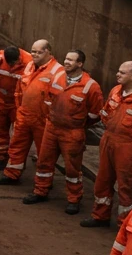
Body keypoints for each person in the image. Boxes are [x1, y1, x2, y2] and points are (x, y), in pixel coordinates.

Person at [23, 49, 101, 213]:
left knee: (72, 168)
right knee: (44, 162)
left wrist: (78, 124)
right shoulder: (57, 77)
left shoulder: (90, 86)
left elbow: (95, 114)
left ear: (80, 64)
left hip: (72, 133)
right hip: (51, 128)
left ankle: (74, 199)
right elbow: (48, 99)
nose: (66, 62)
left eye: (71, 60)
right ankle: (40, 191)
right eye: (66, 59)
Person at [85, 61, 132, 228]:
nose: (118, 74)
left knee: (127, 186)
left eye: (122, 72)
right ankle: (100, 216)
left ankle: (125, 224)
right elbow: (105, 112)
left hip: (128, 146)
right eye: (118, 71)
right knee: (103, 181)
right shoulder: (115, 91)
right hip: (108, 140)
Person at [0, 40, 60, 182]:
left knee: (44, 154)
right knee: (17, 146)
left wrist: (49, 117)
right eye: (33, 51)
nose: (35, 54)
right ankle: (12, 174)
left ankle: (42, 186)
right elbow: (19, 89)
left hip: (42, 119)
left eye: (39, 52)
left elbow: (58, 99)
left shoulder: (57, 71)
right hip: (24, 115)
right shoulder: (29, 66)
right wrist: (19, 110)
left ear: (48, 51)